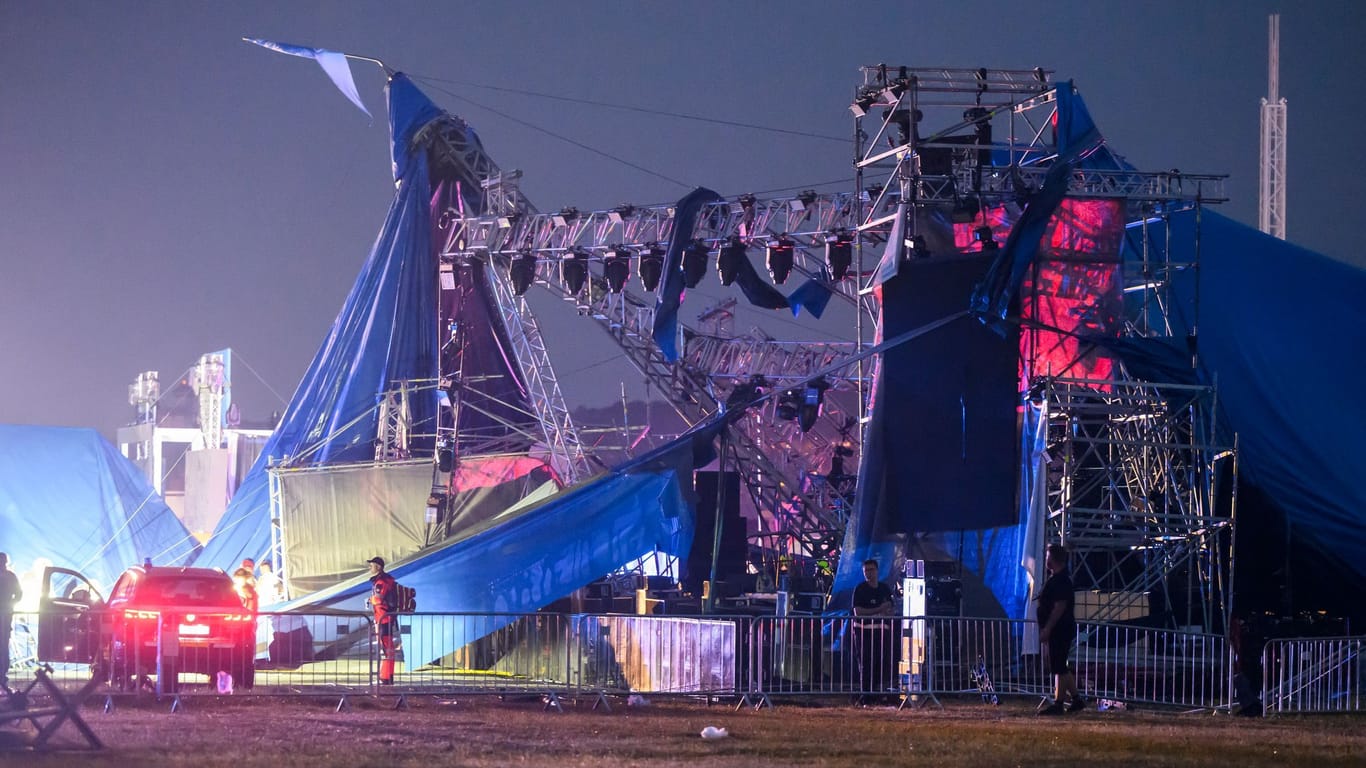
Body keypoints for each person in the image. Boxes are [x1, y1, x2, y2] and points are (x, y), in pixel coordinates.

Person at [1036, 543, 1083, 714]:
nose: (1046, 560)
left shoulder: (1061, 580)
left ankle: (1058, 703)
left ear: (1054, 559)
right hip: (1059, 628)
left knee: (1059, 666)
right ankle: (1077, 699)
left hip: (1059, 628)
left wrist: (1047, 628)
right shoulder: (1058, 578)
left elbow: (1059, 607)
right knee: (1060, 665)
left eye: (1048, 556)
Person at [851, 558, 895, 704]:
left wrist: (886, 611)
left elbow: (891, 609)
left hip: (881, 633)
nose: (868, 574)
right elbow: (858, 612)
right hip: (864, 633)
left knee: (880, 664)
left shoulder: (884, 589)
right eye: (866, 571)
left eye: (871, 570)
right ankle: (866, 696)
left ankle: (879, 695)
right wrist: (879, 609)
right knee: (865, 664)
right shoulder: (860, 589)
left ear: (877, 571)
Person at [366, 556, 399, 685]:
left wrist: (371, 599)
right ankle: (387, 676)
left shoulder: (381, 582)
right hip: (387, 618)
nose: (370, 567)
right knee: (388, 648)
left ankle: (385, 677)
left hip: (383, 619)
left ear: (378, 567)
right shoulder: (387, 580)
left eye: (372, 565)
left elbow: (379, 599)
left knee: (386, 648)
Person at [1, 552, 22, 692]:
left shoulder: (10, 577)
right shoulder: (10, 576)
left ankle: (2, 676)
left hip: (5, 615)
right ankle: (2, 677)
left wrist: (10, 605)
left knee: (3, 646)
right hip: (5, 614)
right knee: (2, 645)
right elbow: (19, 594)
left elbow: (19, 594)